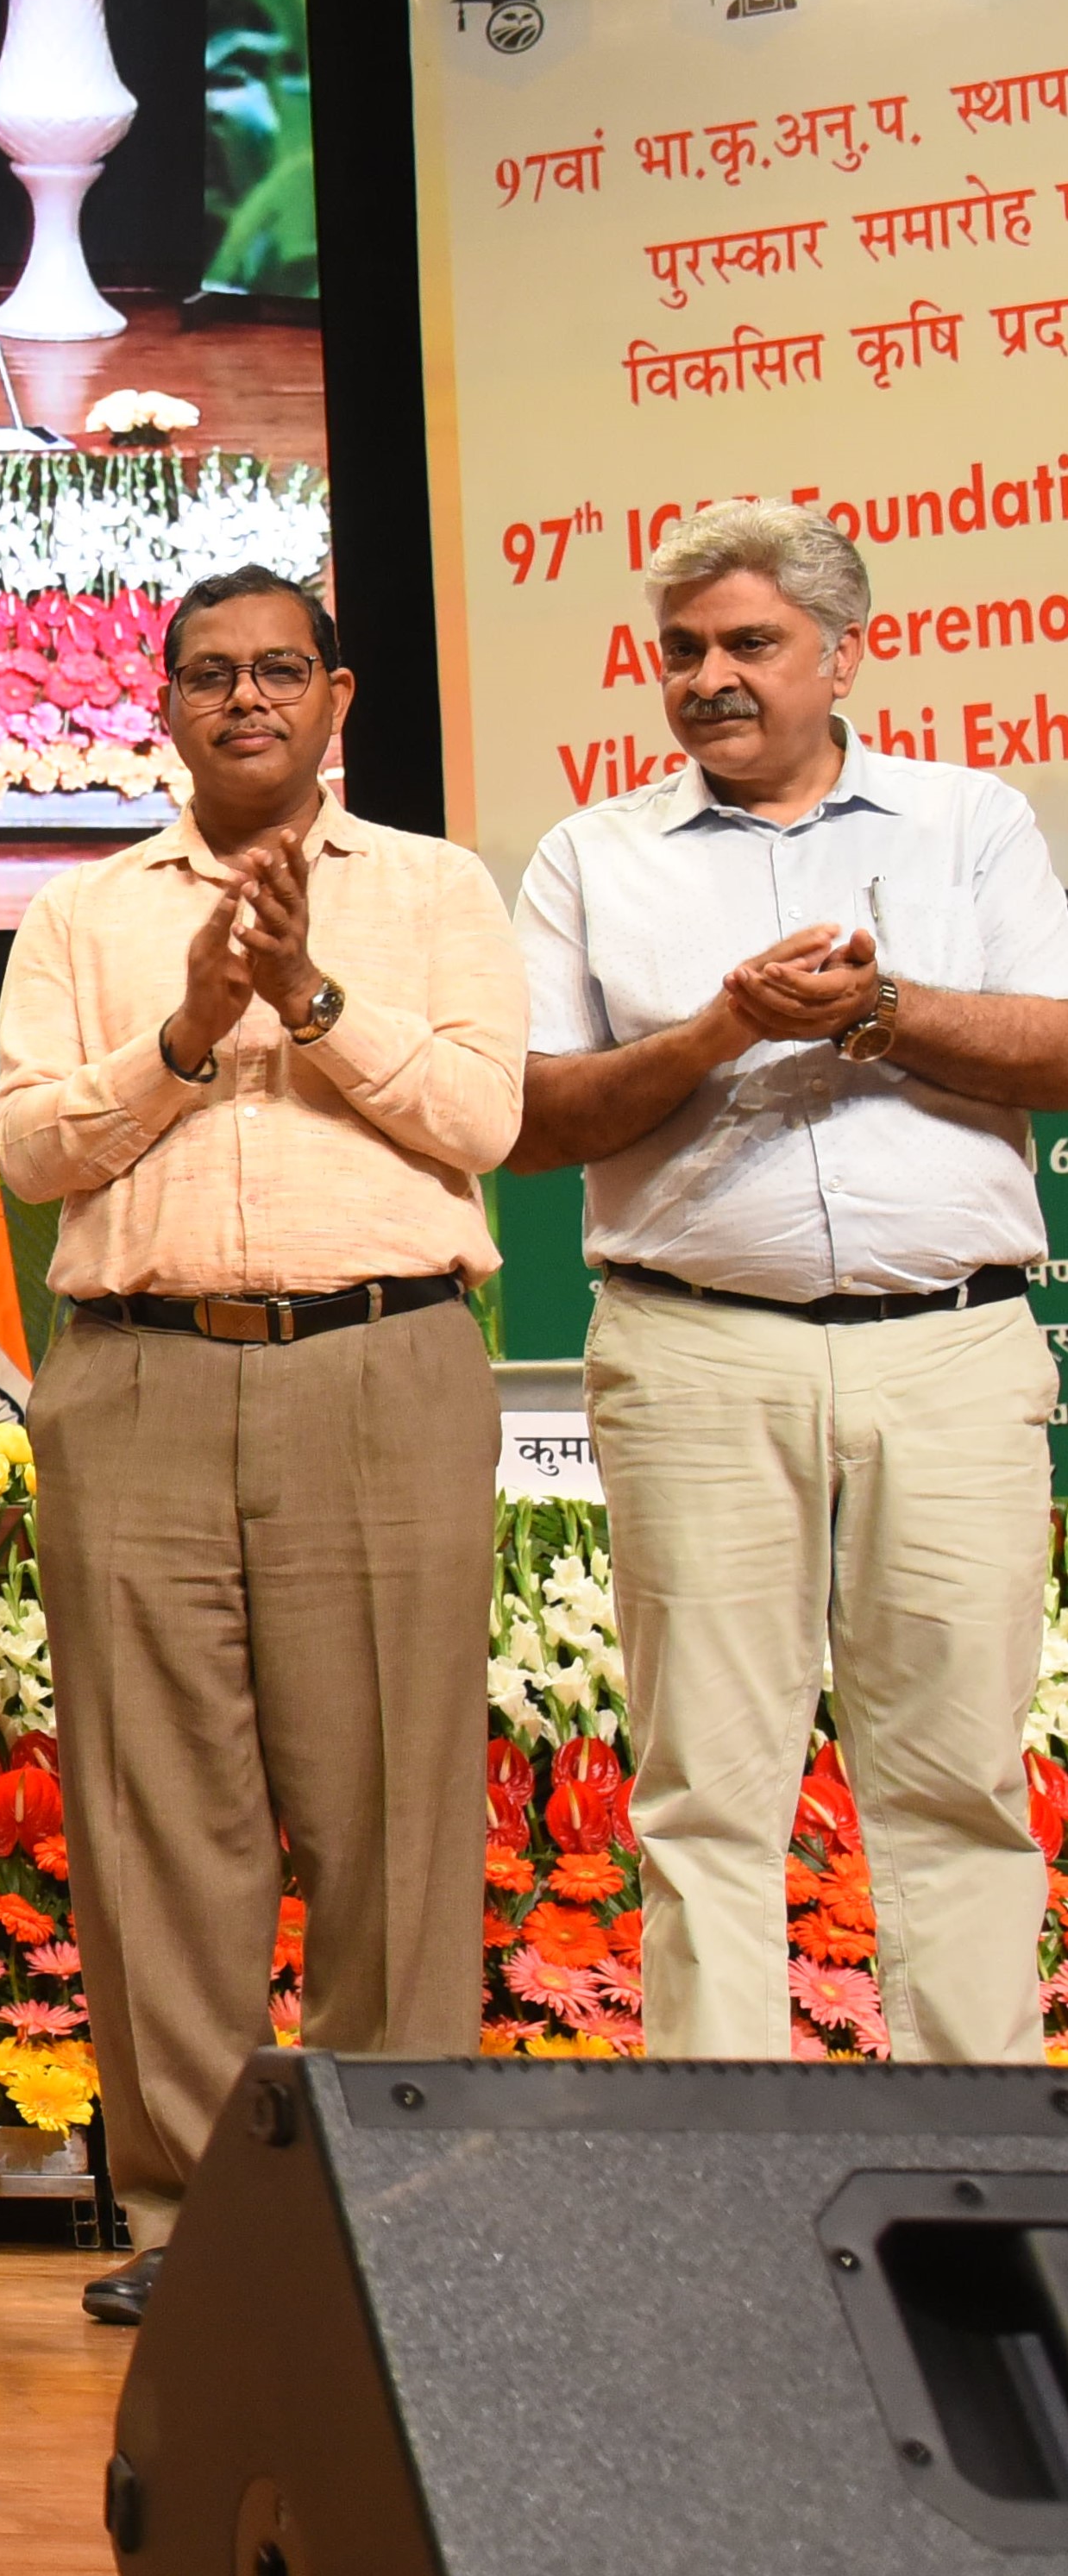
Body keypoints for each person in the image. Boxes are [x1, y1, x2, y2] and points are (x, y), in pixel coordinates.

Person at [0, 562, 520, 2326]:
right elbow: (27, 1152)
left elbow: (480, 1118)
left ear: (334, 697)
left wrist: (304, 994)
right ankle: (190, 2217)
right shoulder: (80, 910)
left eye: (277, 669)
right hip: (136, 1376)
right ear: (162, 704)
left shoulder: (433, 888)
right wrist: (182, 1033)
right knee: (155, 1813)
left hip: (375, 1362)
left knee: (388, 1813)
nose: (243, 698)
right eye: (209, 672)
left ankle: (390, 2215)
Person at [508, 503, 1068, 2070]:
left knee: (957, 1783)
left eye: (748, 642)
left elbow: (1056, 1045)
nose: (708, 677)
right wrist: (719, 1031)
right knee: (703, 1790)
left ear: (843, 652)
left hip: (946, 1349)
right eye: (680, 648)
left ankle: (975, 2157)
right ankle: (723, 2170)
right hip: (693, 1354)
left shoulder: (967, 819)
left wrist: (878, 1009)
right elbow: (534, 1121)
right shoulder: (588, 853)